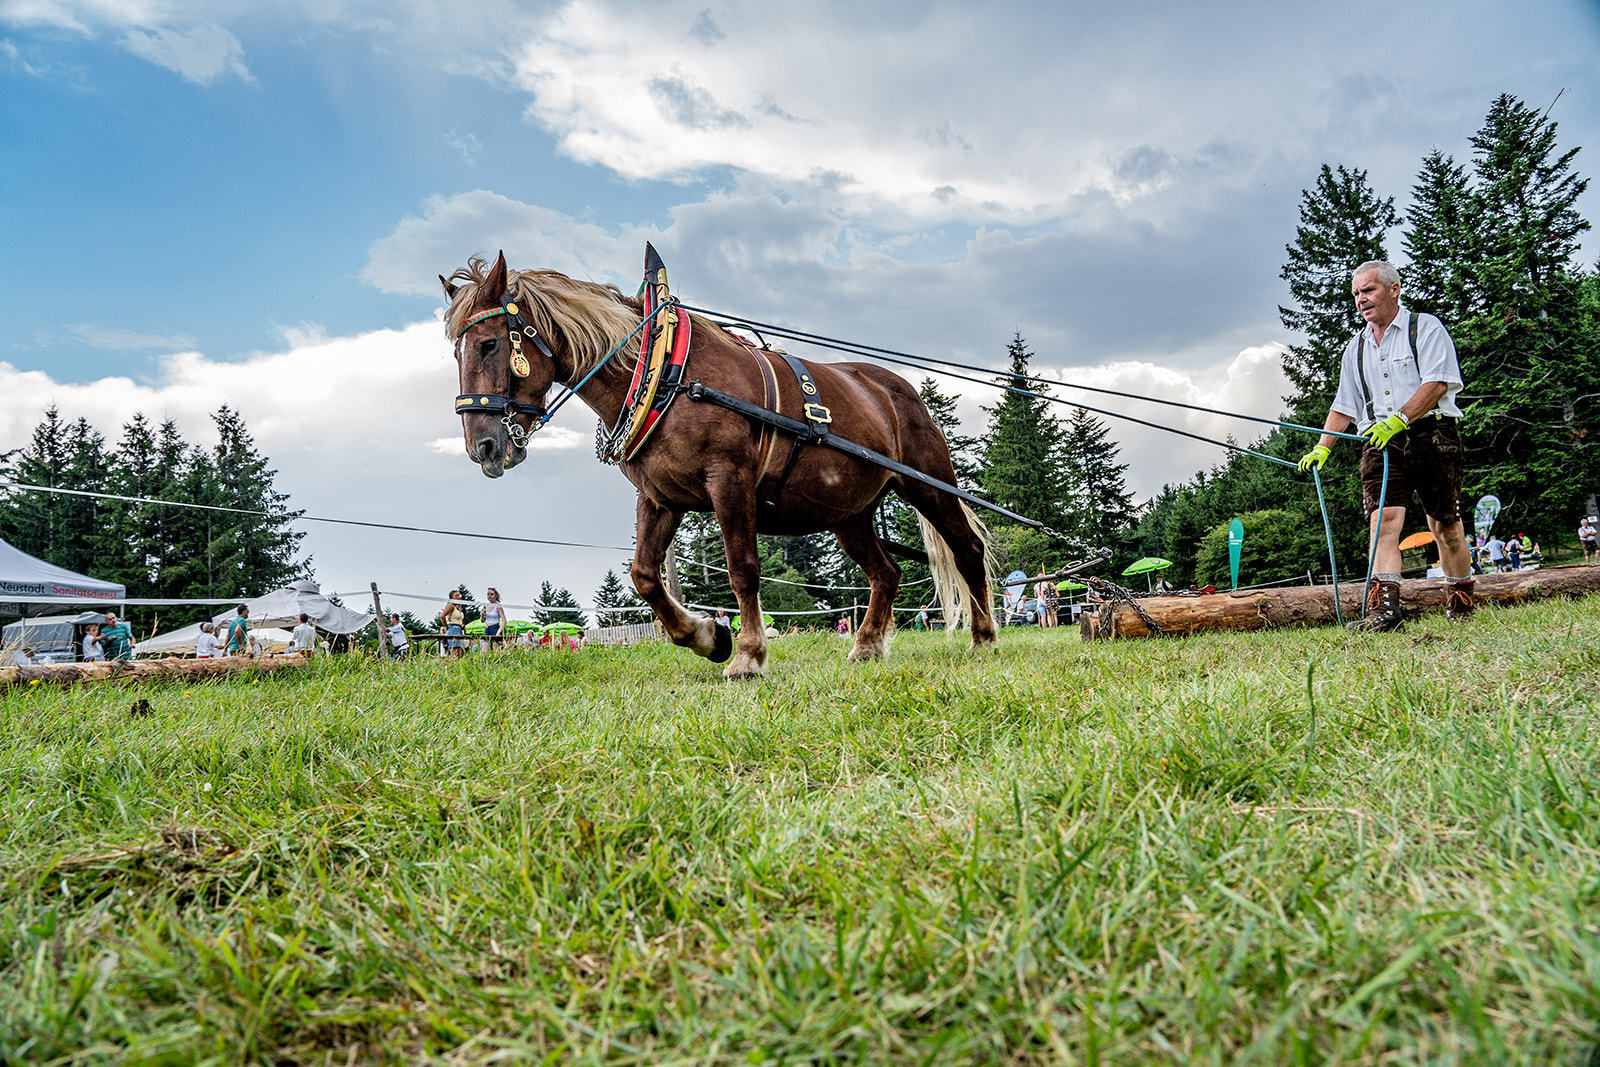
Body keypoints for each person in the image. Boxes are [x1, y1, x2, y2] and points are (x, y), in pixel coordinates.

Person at [1298, 260, 1475, 630]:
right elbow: (1344, 404)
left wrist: (1400, 419)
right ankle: (1386, 612)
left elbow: (1438, 383)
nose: (1361, 300)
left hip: (1433, 434)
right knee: (1383, 524)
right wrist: (1323, 447)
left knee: (1445, 525)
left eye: (1368, 290)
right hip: (1379, 442)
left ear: (1394, 289)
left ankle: (1460, 603)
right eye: (1356, 294)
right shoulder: (1356, 347)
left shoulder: (1424, 328)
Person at [438, 590, 466, 658]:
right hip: (453, 629)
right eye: (456, 595)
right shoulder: (450, 605)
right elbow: (442, 616)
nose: (458, 597)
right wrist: (447, 626)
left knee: (461, 652)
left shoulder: (458, 608)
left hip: (459, 629)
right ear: (451, 598)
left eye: (459, 595)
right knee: (455, 651)